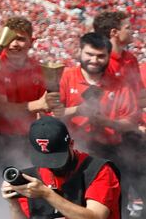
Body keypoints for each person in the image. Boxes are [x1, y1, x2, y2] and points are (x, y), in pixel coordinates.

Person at [2, 117, 124, 219]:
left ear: (71, 144)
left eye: (55, 159)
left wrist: (47, 194)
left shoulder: (98, 171)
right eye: (44, 159)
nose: (51, 165)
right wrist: (13, 205)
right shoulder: (29, 178)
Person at [59, 32, 144, 171]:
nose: (94, 60)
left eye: (100, 56)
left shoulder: (120, 85)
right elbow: (52, 114)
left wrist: (107, 122)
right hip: (72, 147)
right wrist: (77, 110)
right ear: (79, 52)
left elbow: (131, 122)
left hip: (110, 150)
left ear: (109, 56)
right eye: (89, 54)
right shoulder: (65, 77)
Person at [0, 16, 59, 157]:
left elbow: (45, 108)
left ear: (31, 42)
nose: (15, 44)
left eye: (21, 39)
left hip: (26, 138)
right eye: (10, 39)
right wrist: (37, 105)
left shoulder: (40, 69)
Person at [93, 10, 141, 91]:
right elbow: (92, 101)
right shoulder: (99, 62)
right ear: (114, 32)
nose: (132, 31)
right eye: (127, 28)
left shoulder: (131, 59)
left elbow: (140, 93)